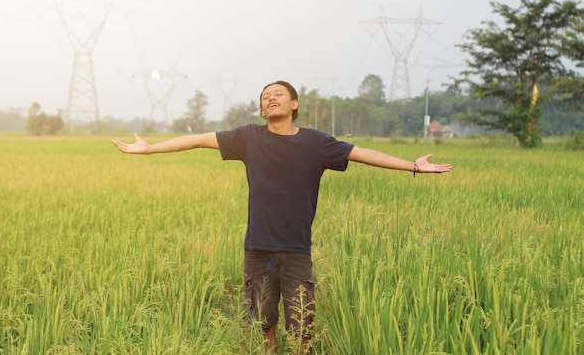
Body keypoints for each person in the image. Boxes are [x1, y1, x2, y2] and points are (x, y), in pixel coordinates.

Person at [111, 80, 452, 354]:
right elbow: (198, 140)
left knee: (302, 322)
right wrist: (149, 148)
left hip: (297, 247)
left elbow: (362, 154)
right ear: (262, 109)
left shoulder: (316, 143)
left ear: (293, 105)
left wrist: (413, 166)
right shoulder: (248, 137)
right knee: (262, 321)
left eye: (278, 94)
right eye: (265, 96)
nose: (270, 98)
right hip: (258, 246)